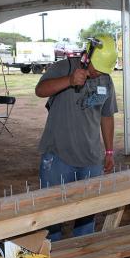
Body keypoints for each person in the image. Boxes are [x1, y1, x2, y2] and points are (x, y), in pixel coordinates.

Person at [35, 39, 118, 240]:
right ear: (87, 56)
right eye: (96, 67)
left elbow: (107, 116)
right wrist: (69, 81)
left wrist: (108, 152)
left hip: (91, 158)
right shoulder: (63, 67)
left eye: (104, 69)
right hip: (58, 155)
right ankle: (52, 252)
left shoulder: (106, 80)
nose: (98, 72)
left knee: (87, 215)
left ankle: (82, 252)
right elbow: (40, 90)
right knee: (52, 213)